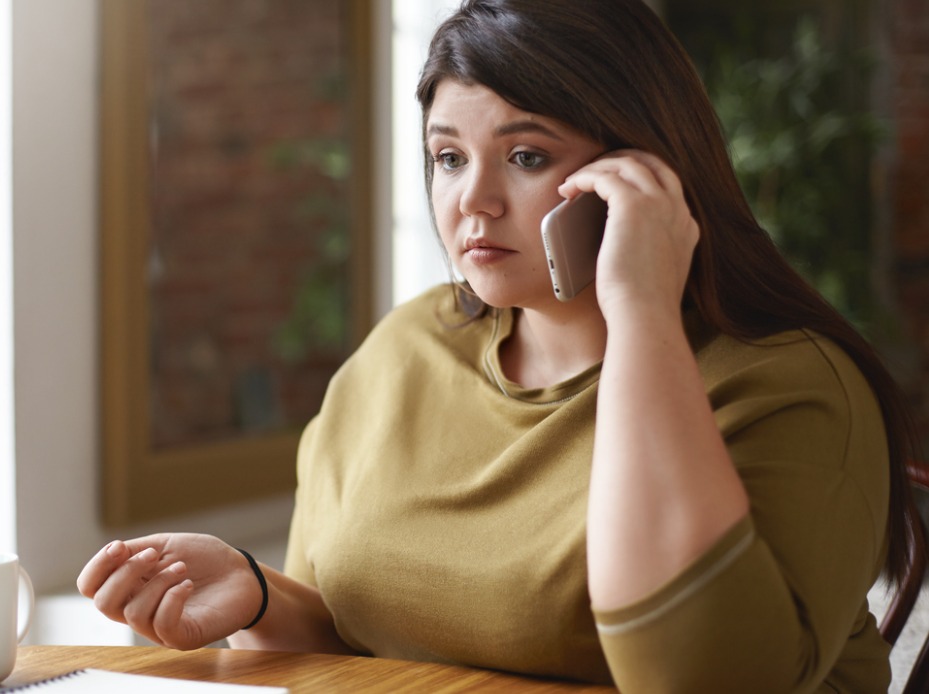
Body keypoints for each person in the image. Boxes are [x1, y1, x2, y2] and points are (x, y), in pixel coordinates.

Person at [77, 1, 924, 690]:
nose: (471, 202)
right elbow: (359, 647)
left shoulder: (793, 387)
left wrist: (639, 312)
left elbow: (700, 678)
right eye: (447, 157)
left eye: (524, 155)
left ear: (643, 173)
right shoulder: (406, 350)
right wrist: (261, 599)